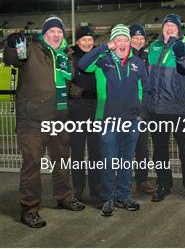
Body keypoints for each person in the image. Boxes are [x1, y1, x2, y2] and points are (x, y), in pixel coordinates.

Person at [4, 15, 85, 228]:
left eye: (59, 31)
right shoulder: (31, 49)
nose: (56, 34)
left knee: (61, 161)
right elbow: (12, 59)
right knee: (32, 165)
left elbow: (65, 87)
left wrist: (81, 92)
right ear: (44, 33)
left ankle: (64, 196)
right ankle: (29, 208)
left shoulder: (65, 57)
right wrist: (12, 44)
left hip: (59, 118)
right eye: (52, 31)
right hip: (32, 120)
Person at [78, 24, 148, 217]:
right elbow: (82, 65)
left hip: (132, 121)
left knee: (126, 161)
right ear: (113, 42)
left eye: (125, 40)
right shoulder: (102, 60)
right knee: (108, 161)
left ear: (129, 42)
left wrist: (141, 115)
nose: (122, 44)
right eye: (118, 40)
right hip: (107, 120)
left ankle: (123, 196)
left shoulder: (137, 63)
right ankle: (107, 197)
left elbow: (145, 88)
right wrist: (103, 48)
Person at [142, 14, 185, 203]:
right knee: (159, 151)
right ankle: (163, 183)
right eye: (166, 25)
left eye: (173, 26)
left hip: (178, 109)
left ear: (179, 28)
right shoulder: (154, 46)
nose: (169, 28)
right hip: (156, 110)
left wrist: (178, 49)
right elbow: (146, 75)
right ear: (162, 28)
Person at [68, 26, 100, 201]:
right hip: (77, 109)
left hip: (97, 109)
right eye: (84, 40)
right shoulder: (70, 57)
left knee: (96, 150)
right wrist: (81, 92)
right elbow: (67, 83)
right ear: (78, 41)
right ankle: (77, 187)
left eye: (90, 39)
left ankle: (96, 185)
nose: (87, 43)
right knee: (78, 151)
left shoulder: (99, 55)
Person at [129, 23, 155, 195]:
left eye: (141, 38)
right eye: (135, 37)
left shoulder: (148, 57)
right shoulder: (122, 55)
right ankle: (119, 180)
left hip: (143, 110)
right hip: (124, 109)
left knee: (141, 148)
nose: (139, 41)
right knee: (123, 148)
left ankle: (142, 180)